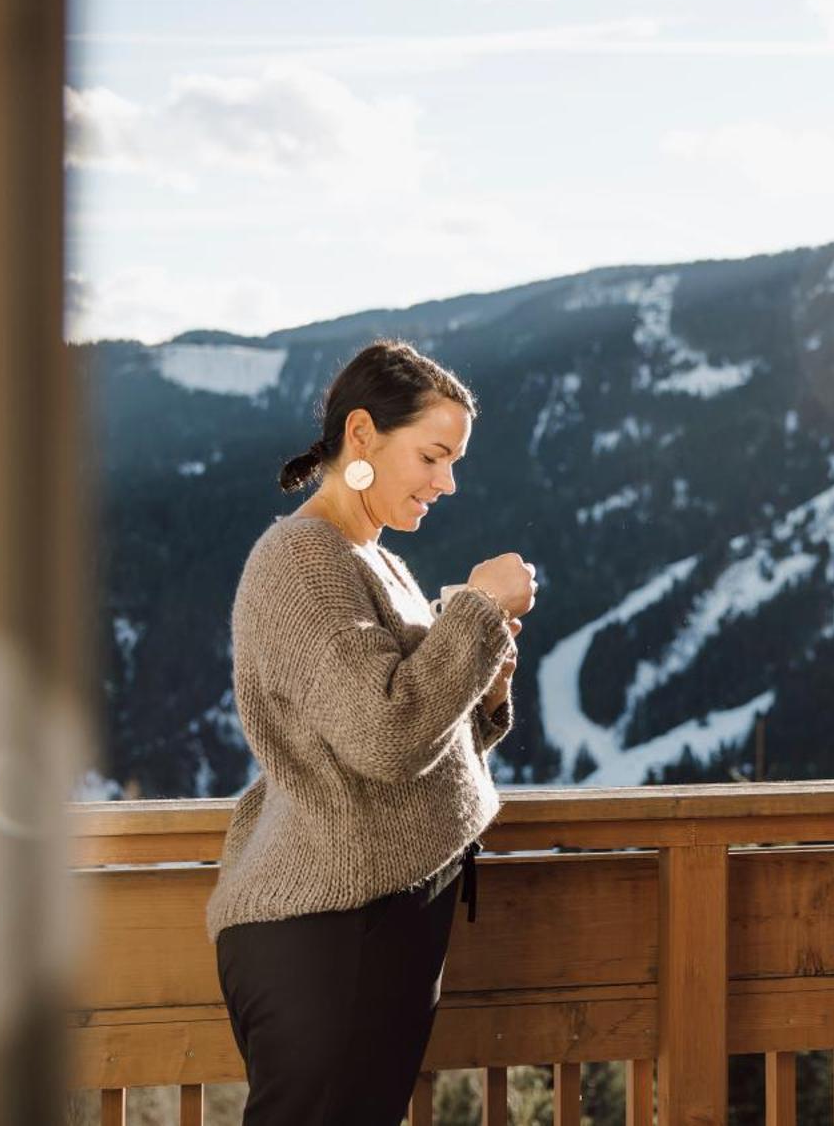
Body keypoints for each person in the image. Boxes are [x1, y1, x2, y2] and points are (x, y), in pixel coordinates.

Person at [205, 339, 537, 1125]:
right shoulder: (302, 558)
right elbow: (387, 737)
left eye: (453, 460)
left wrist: (484, 694)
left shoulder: (371, 559)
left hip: (363, 932)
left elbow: (403, 744)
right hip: (328, 936)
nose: (448, 481)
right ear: (362, 436)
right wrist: (480, 611)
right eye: (433, 454)